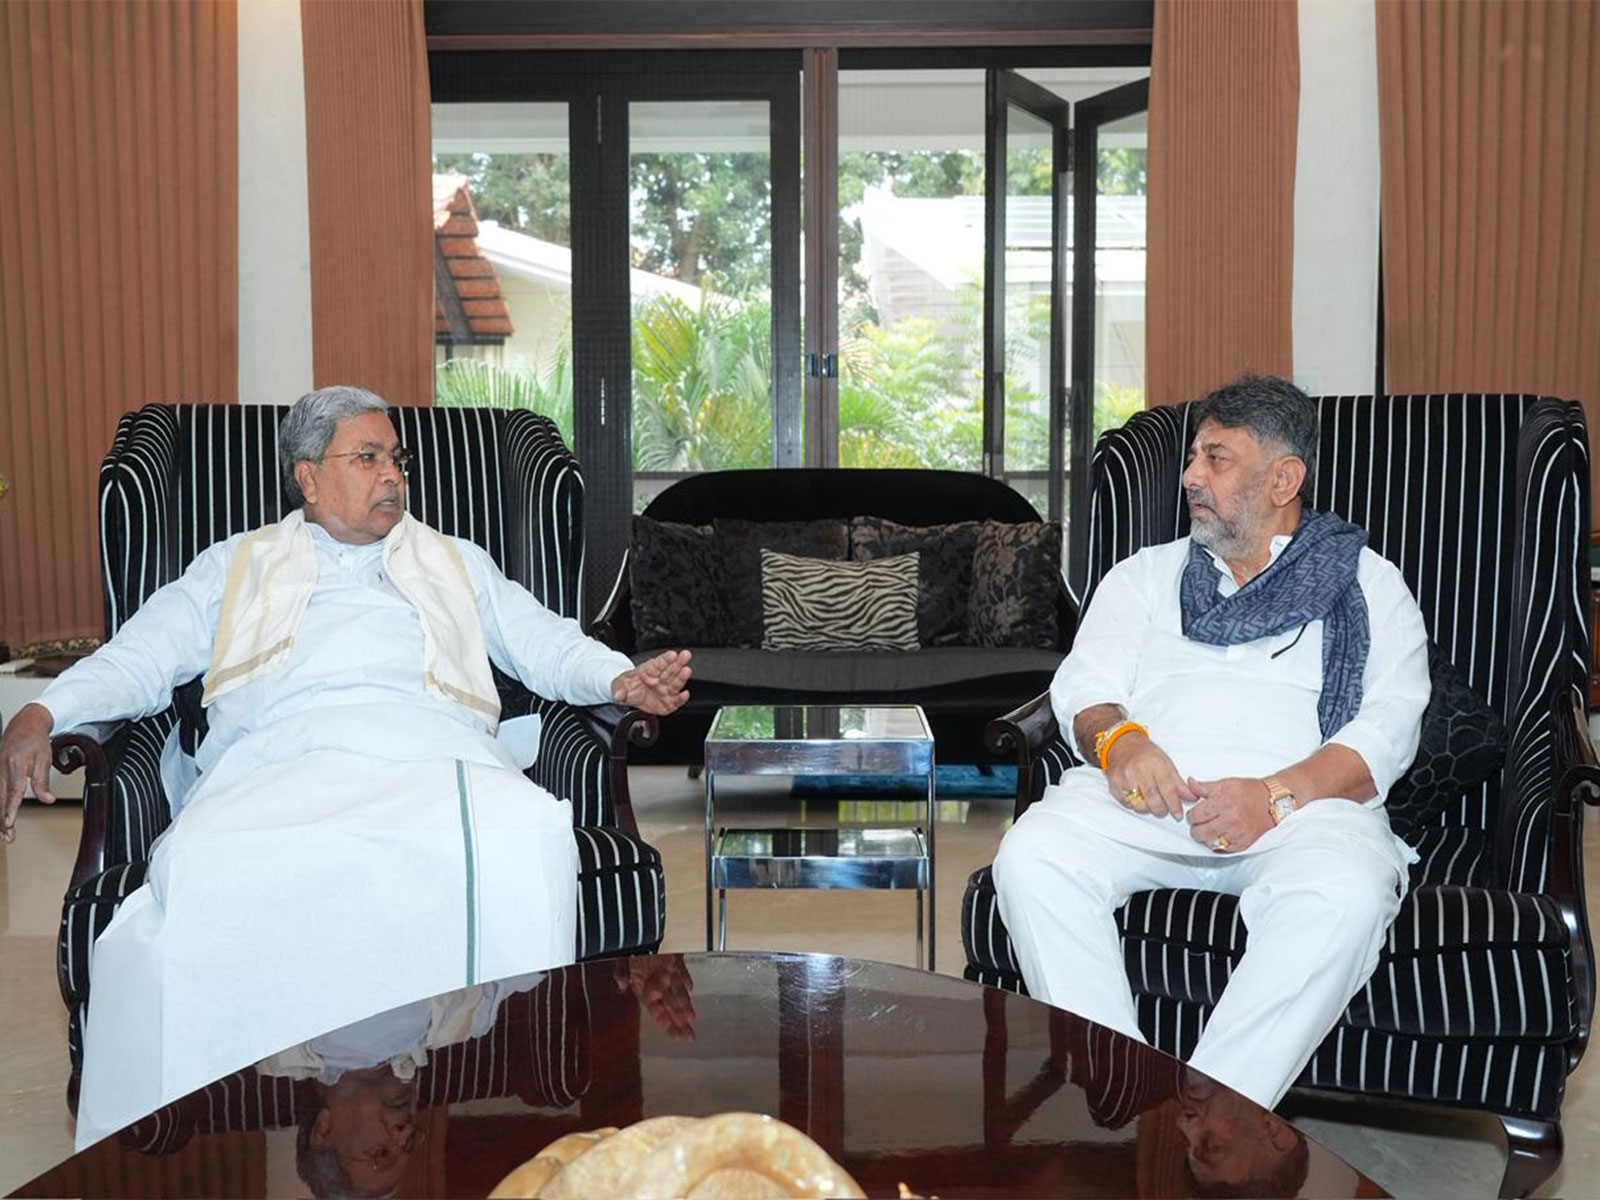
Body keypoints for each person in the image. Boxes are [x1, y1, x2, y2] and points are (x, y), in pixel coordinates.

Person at [0, 385, 692, 1148]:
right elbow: (139, 656)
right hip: (279, 759)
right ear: (308, 476)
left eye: (395, 458)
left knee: (523, 833)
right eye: (367, 458)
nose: (392, 474)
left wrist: (620, 680)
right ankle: (193, 1107)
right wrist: (43, 714)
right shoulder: (236, 566)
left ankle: (503, 1057)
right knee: (204, 867)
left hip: (436, 754)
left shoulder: (454, 561)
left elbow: (546, 642)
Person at [992, 373, 1430, 1111]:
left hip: (1298, 812)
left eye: (1217, 458)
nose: (1191, 476)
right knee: (1032, 857)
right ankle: (1123, 1099)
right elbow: (1083, 688)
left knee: (1349, 893)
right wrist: (1123, 743)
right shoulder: (1145, 576)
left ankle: (1212, 1117)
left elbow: (1390, 727)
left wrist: (1272, 795)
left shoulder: (1368, 583)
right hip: (1146, 805)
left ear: (1283, 478)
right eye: (1193, 456)